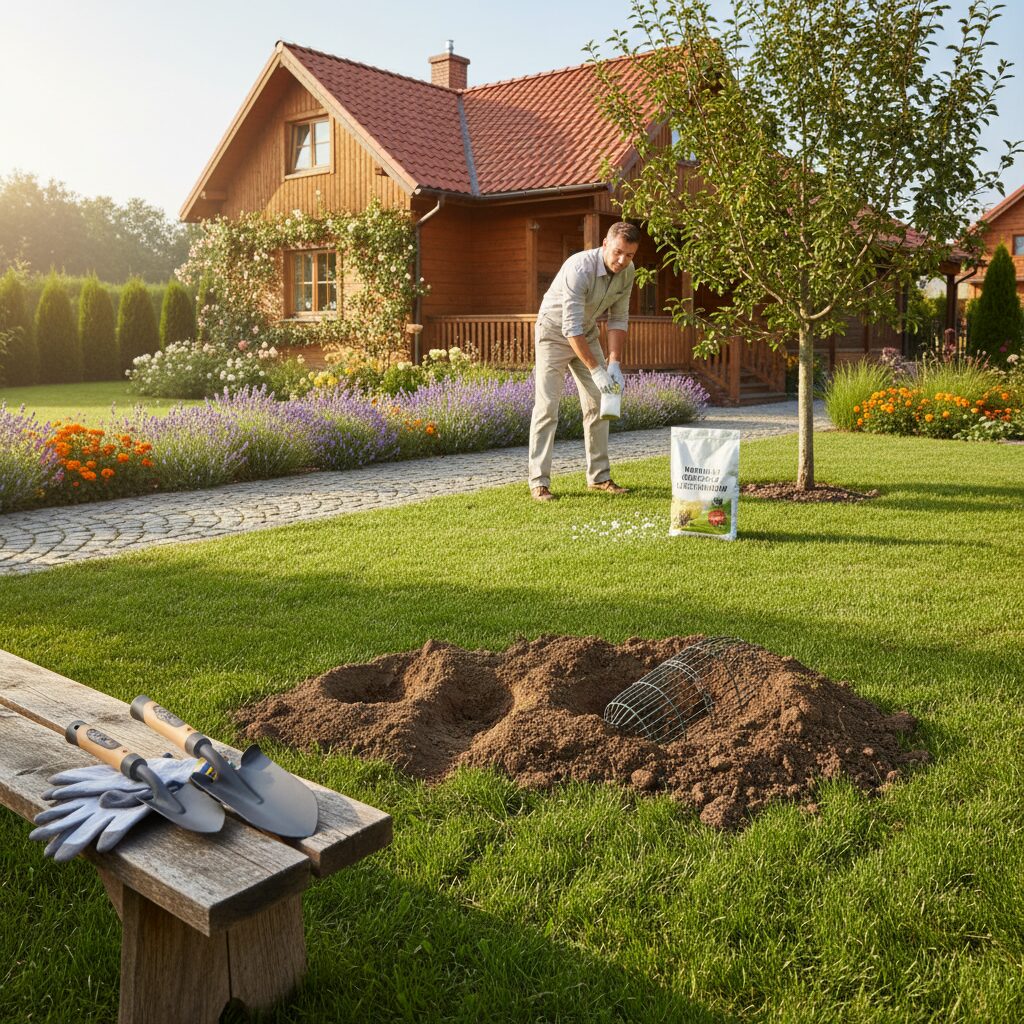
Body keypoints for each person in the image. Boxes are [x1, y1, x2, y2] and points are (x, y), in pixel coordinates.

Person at [528, 221, 641, 501]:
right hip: (554, 332)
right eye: (617, 252)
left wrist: (614, 363)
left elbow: (618, 318)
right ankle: (539, 482)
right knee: (547, 407)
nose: (621, 260)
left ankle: (599, 477)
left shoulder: (627, 273)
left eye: (629, 255)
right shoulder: (579, 267)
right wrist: (596, 369)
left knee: (600, 402)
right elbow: (570, 328)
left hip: (586, 332)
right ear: (604, 244)